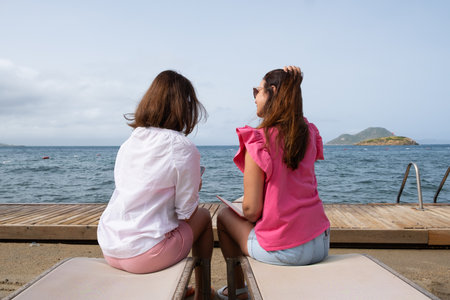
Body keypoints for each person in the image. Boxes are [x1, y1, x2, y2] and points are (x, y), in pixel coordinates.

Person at [97, 70, 213, 300]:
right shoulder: (182, 147)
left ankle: (186, 286)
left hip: (110, 246)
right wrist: (195, 186)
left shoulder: (130, 141)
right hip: (145, 255)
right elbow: (186, 212)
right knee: (204, 217)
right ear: (184, 107)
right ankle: (203, 293)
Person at [216, 66, 330, 300]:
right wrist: (294, 83)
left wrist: (248, 211)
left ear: (272, 91)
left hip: (285, 251)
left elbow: (250, 211)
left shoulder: (259, 140)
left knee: (224, 216)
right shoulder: (307, 133)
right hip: (320, 243)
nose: (255, 98)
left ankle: (237, 290)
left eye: (256, 91)